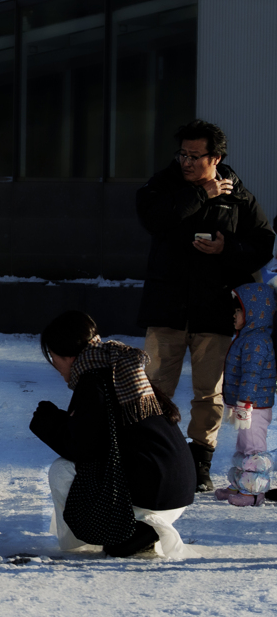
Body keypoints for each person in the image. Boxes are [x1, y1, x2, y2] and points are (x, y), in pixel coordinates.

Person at [135, 118, 275, 491]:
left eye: (196, 156)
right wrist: (203, 196)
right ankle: (154, 455)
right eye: (182, 154)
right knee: (154, 387)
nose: (186, 162)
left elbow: (263, 243)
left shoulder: (238, 193)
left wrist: (226, 248)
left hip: (214, 307)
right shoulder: (163, 185)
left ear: (216, 158)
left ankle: (200, 461)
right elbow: (154, 218)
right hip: (167, 306)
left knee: (209, 392)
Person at [30, 311, 197, 559]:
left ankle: (91, 539)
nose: (54, 365)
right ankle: (136, 530)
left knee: (62, 470)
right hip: (177, 492)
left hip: (155, 496)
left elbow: (83, 448)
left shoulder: (94, 380)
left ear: (66, 355)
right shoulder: (118, 367)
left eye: (53, 357)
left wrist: (46, 423)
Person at [214, 283, 276, 506]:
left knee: (254, 451)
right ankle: (240, 484)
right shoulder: (247, 337)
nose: (234, 314)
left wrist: (245, 402)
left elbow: (252, 374)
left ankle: (253, 493)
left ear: (255, 313)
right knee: (243, 447)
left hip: (253, 406)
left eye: (239, 310)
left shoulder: (256, 341)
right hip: (246, 405)